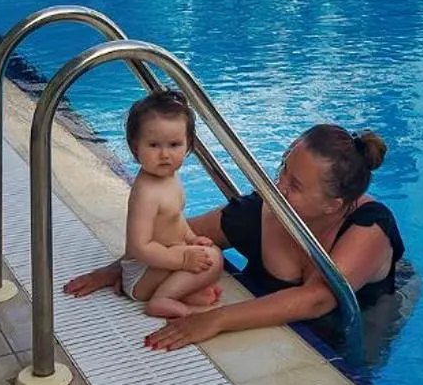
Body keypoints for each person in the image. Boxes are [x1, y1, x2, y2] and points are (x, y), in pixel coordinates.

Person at [64, 122, 404, 352]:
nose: (278, 186)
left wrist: (216, 320)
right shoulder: (264, 210)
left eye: (295, 186)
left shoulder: (368, 228)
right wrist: (119, 268)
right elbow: (185, 233)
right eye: (284, 169)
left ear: (334, 205)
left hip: (369, 312)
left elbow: (317, 299)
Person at [118, 92, 225, 318]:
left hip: (161, 260)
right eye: (154, 145)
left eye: (174, 144)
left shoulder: (169, 177)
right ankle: (162, 299)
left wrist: (191, 239)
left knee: (209, 253)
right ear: (135, 147)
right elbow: (140, 247)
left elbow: (175, 219)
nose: (165, 155)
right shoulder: (146, 193)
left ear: (188, 146)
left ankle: (178, 292)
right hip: (141, 273)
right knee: (212, 259)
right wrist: (183, 259)